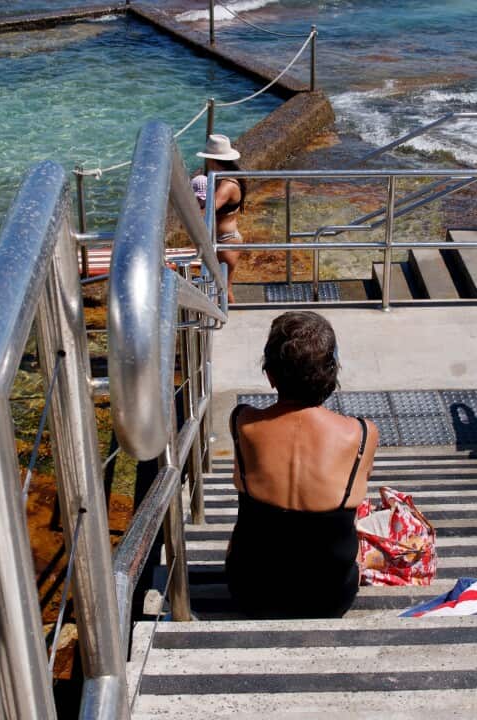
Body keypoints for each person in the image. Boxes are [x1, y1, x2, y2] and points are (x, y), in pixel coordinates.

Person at [225, 311, 378, 618]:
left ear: (270, 375)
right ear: (331, 374)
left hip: (251, 593)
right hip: (330, 599)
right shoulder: (361, 434)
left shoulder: (242, 422)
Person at [197, 134, 246, 304]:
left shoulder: (227, 185)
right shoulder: (222, 179)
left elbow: (207, 211)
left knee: (224, 288)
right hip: (222, 239)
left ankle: (237, 324)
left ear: (211, 159)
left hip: (226, 241)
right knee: (221, 287)